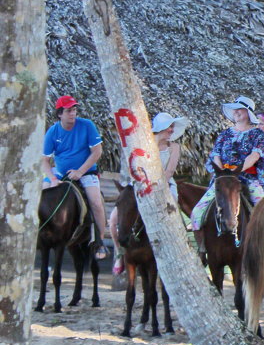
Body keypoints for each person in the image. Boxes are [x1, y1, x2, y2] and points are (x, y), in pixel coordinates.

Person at [112, 112, 187, 274]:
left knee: (173, 207)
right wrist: (143, 184)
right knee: (113, 219)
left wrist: (157, 185)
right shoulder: (145, 144)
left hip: (164, 184)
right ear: (161, 128)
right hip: (140, 184)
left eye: (173, 127)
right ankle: (120, 253)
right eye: (169, 127)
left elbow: (170, 170)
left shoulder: (174, 147)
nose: (172, 130)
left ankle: (176, 249)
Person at [189, 96, 264, 246]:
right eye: (234, 110)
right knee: (196, 213)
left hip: (246, 178)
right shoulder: (225, 134)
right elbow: (216, 154)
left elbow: (254, 156)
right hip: (223, 178)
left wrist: (236, 171)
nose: (236, 112)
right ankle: (202, 249)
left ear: (248, 113)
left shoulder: (258, 134)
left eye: (239, 109)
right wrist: (222, 172)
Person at [43, 95, 110, 260]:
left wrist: (80, 171)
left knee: (96, 202)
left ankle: (99, 241)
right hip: (59, 171)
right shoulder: (53, 131)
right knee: (41, 194)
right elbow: (44, 160)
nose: (72, 113)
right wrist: (52, 178)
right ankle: (38, 233)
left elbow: (97, 152)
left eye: (74, 110)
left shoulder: (87, 125)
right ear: (60, 113)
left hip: (86, 172)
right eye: (68, 111)